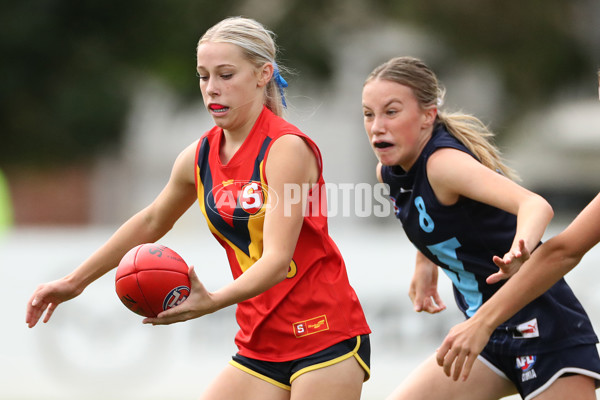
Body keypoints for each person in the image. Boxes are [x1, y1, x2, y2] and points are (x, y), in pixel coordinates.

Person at [26, 16, 371, 400]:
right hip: (260, 341)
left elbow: (276, 261)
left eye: (225, 75)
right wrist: (74, 282)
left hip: (323, 334)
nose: (212, 89)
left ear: (263, 74)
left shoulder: (285, 149)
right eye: (204, 76)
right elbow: (153, 219)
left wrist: (211, 302)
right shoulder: (199, 156)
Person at [361, 56, 600, 400]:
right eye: (368, 114)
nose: (376, 126)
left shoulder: (444, 164)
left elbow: (535, 207)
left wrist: (522, 246)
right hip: (487, 336)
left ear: (428, 115)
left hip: (545, 335)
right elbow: (432, 210)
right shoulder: (392, 174)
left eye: (391, 112)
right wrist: (424, 261)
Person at [436, 68, 600, 385]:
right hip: (506, 337)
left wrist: (482, 321)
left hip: (553, 338)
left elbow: (563, 251)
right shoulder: (398, 176)